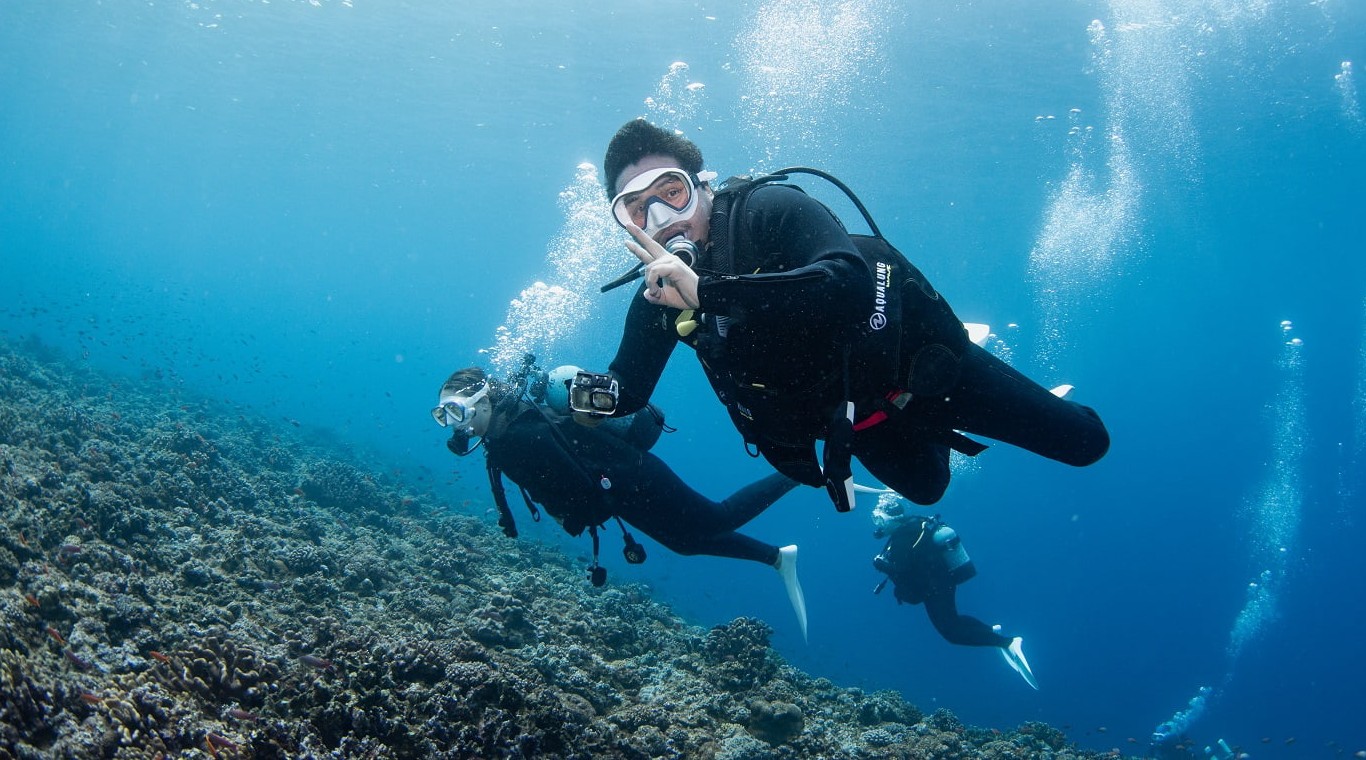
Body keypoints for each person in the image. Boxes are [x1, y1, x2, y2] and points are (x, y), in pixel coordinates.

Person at [582, 118, 1110, 510]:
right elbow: (629, 390)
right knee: (929, 490)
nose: (661, 218)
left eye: (671, 193)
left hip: (921, 366)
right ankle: (932, 434)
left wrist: (708, 292)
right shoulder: (658, 298)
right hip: (863, 415)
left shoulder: (768, 210)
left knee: (1086, 444)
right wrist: (574, 397)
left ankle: (987, 367)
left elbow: (847, 283)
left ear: (702, 188)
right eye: (637, 209)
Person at [432, 361, 809, 640]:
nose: (454, 425)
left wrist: (573, 517)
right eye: (443, 416)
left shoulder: (522, 436)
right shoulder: (501, 439)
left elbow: (578, 487)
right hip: (621, 494)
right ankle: (777, 557)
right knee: (684, 543)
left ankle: (800, 472)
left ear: (483, 402)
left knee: (717, 519)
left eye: (455, 412)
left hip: (637, 477)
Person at [868, 491, 1036, 688]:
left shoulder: (904, 538)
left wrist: (885, 568)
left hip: (935, 587)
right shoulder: (910, 529)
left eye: (879, 519)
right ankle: (991, 631)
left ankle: (1007, 643)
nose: (877, 524)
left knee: (952, 633)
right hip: (940, 583)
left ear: (892, 519)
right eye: (875, 519)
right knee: (954, 620)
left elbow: (908, 577)